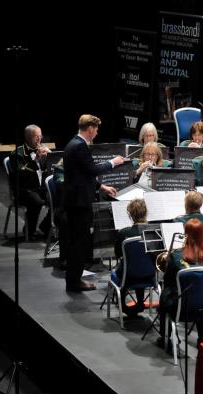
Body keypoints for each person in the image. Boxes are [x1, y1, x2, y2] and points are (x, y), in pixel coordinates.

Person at [63, 114, 125, 292]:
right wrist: (113, 162)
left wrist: (102, 186)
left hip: (75, 201)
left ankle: (73, 280)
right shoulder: (80, 146)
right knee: (79, 243)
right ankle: (74, 282)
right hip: (79, 203)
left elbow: (82, 174)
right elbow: (92, 169)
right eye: (96, 129)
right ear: (90, 128)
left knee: (78, 242)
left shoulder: (74, 143)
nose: (97, 133)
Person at [158, 219, 203, 351]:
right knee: (201, 293)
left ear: (186, 234)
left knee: (165, 294)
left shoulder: (176, 255)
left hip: (183, 308)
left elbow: (168, 281)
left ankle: (165, 336)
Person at [9, 124, 51, 240]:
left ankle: (45, 226)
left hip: (41, 187)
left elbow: (49, 170)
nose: (39, 139)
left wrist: (50, 158)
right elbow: (21, 174)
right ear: (27, 137)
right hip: (24, 189)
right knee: (37, 202)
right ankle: (29, 231)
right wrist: (35, 159)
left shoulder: (42, 149)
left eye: (40, 135)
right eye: (36, 136)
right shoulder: (17, 154)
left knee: (59, 197)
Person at [113, 199, 150, 317]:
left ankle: (122, 305)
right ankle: (140, 302)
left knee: (126, 266)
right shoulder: (154, 232)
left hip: (128, 276)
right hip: (149, 274)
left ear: (130, 215)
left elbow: (118, 254)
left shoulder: (123, 233)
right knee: (141, 264)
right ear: (146, 212)